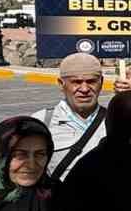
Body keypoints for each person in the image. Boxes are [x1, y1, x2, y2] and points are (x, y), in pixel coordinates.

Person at [36, 52, 112, 182]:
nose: (84, 89)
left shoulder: (115, 121)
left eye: (91, 82)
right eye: (76, 82)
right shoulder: (42, 122)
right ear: (61, 84)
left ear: (101, 83)